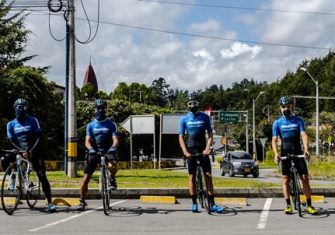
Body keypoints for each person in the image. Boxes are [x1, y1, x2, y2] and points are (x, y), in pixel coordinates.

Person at [6, 98, 57, 212]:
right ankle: (13, 178)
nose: (20, 109)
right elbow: (11, 140)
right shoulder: (11, 124)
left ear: (26, 108)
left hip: (34, 151)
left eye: (23, 107)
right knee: (4, 159)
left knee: (42, 176)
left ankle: (50, 203)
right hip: (19, 151)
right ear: (15, 108)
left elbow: (39, 137)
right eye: (18, 107)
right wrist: (20, 150)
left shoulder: (33, 120)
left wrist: (31, 150)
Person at [272, 96, 317, 215]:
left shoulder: (298, 120)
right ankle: (288, 205)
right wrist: (276, 154)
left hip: (298, 151)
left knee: (305, 178)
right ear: (280, 108)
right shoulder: (277, 123)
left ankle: (309, 205)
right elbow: (274, 140)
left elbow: (304, 135)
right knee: (285, 179)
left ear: (292, 107)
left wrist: (306, 150)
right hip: (285, 152)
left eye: (288, 106)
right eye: (283, 107)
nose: (286, 108)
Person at [179, 97, 224, 213]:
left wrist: (207, 148)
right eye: (190, 103)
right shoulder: (185, 119)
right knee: (192, 177)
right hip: (190, 151)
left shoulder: (205, 117)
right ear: (187, 105)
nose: (192, 105)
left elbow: (210, 135)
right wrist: (185, 152)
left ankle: (212, 204)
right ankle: (194, 203)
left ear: (198, 104)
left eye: (195, 103)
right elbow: (181, 137)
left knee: (208, 175)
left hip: (203, 150)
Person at [77, 99, 119, 211]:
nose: (100, 110)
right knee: (86, 178)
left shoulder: (111, 124)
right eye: (98, 108)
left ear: (106, 109)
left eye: (102, 108)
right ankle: (82, 201)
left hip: (108, 150)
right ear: (94, 109)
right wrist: (90, 148)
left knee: (112, 165)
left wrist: (113, 147)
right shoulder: (90, 125)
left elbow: (115, 139)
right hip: (94, 152)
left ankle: (113, 178)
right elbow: (87, 141)